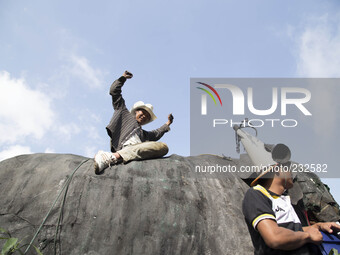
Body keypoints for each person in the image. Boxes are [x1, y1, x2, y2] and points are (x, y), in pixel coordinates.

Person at [242, 163, 340, 255]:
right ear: (277, 170)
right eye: (287, 167)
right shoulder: (257, 194)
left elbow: (293, 231)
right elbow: (275, 237)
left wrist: (318, 227)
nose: (291, 172)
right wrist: (308, 236)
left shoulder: (285, 199)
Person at [94, 70, 174, 174]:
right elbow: (114, 91)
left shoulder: (143, 134)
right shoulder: (123, 112)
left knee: (163, 147)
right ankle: (112, 157)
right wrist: (123, 78)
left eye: (147, 116)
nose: (144, 116)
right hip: (125, 147)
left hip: (138, 149)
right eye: (143, 112)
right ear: (136, 111)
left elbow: (156, 133)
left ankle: (117, 157)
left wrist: (168, 123)